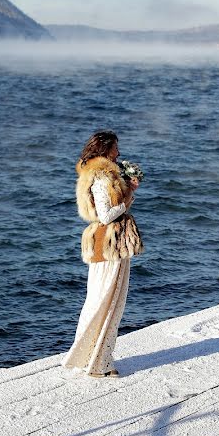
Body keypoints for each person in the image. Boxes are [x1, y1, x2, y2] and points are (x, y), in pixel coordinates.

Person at [62, 130, 144, 378]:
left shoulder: (101, 175)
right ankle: (97, 363)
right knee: (106, 302)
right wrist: (129, 191)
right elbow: (106, 215)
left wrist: (129, 189)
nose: (118, 153)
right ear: (106, 149)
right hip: (109, 245)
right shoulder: (101, 178)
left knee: (104, 300)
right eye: (115, 148)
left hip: (109, 244)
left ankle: (94, 358)